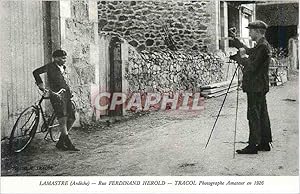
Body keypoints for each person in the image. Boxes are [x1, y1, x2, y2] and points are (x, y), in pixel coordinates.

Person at [229, 20, 272, 154]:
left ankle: (253, 145)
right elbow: (249, 51)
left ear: (257, 32)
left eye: (251, 31)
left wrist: (240, 58)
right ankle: (264, 142)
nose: (249, 33)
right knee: (262, 114)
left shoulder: (262, 47)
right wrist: (235, 40)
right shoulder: (262, 45)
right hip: (260, 86)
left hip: (255, 86)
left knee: (253, 115)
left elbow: (252, 67)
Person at [33, 49, 79, 151]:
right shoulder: (50, 67)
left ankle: (60, 142)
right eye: (62, 58)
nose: (64, 60)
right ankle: (68, 142)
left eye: (65, 58)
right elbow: (35, 72)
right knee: (62, 118)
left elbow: (65, 80)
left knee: (72, 117)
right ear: (55, 58)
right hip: (56, 95)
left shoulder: (63, 67)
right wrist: (41, 85)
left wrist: (70, 90)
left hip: (66, 94)